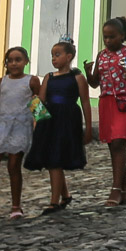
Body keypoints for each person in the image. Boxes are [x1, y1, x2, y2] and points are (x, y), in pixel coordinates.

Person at [25, 41, 94, 214]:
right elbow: (41, 99)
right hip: (49, 120)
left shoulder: (77, 78)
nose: (54, 59)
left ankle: (54, 201)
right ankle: (64, 195)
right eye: (52, 55)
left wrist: (89, 127)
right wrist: (36, 118)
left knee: (56, 158)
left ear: (68, 57)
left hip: (68, 119)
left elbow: (85, 102)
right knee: (52, 158)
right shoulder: (49, 77)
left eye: (57, 55)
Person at [0, 46, 40, 220]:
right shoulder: (1, 82)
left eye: (18, 60)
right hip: (2, 127)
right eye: (10, 60)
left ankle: (16, 206)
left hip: (21, 127)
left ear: (26, 61)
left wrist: (38, 126)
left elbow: (38, 105)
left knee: (14, 166)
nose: (14, 63)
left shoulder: (32, 81)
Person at [93, 18, 126, 207]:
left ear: (122, 36)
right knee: (112, 146)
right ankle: (123, 189)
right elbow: (94, 82)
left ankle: (115, 189)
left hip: (124, 102)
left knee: (118, 143)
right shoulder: (102, 55)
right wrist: (87, 71)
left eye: (112, 37)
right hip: (106, 101)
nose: (108, 41)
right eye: (105, 37)